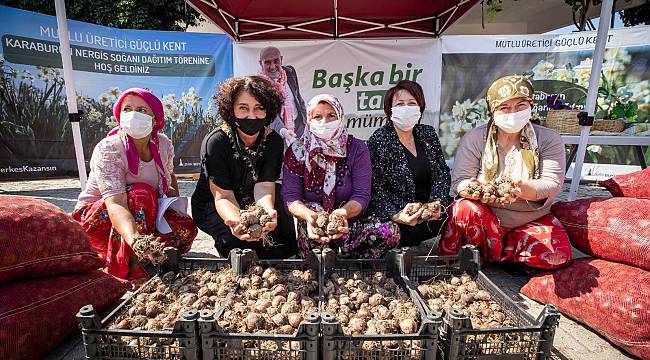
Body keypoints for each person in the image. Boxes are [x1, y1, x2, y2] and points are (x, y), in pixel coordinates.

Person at [439, 74, 571, 269]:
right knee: (463, 209)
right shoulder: (475, 138)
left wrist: (520, 189)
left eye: (520, 106)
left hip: (530, 220)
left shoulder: (549, 139)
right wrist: (472, 188)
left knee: (557, 255)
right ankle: (495, 253)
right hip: (486, 220)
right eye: (504, 108)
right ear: (493, 111)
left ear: (531, 106)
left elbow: (552, 183)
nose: (513, 113)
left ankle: (505, 252)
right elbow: (459, 181)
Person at [73, 88, 197, 280]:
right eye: (127, 109)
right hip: (99, 219)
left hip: (144, 214)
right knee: (141, 194)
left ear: (155, 120)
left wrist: (175, 208)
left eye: (141, 110)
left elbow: (169, 175)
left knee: (186, 228)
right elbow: (116, 204)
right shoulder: (110, 149)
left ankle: (150, 252)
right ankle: (128, 266)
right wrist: (136, 240)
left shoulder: (162, 144)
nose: (133, 115)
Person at [191, 76, 297, 259]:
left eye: (259, 108)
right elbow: (223, 196)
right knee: (242, 247)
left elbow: (264, 186)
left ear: (268, 110)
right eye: (243, 108)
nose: (251, 116)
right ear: (231, 109)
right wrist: (238, 221)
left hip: (251, 198)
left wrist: (266, 212)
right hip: (216, 203)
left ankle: (286, 259)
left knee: (277, 212)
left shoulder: (274, 141)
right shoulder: (215, 142)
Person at [283, 94, 400, 259]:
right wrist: (309, 216)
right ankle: (321, 259)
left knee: (390, 232)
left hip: (350, 223)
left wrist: (342, 214)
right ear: (309, 120)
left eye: (331, 115)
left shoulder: (357, 149)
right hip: (314, 225)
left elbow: (361, 195)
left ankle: (353, 264)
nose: (325, 122)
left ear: (340, 116)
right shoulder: (297, 151)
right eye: (317, 117)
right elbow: (291, 198)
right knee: (315, 209)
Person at [366, 80, 451, 248]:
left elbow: (442, 173)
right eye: (400, 104)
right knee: (385, 232)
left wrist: (436, 203)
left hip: (430, 214)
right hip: (399, 216)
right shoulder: (379, 139)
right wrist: (396, 215)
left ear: (420, 108)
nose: (406, 108)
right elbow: (374, 188)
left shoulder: (428, 134)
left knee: (460, 213)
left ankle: (450, 256)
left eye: (412, 103)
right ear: (389, 111)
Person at [259, 46, 307, 147]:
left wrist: (306, 121)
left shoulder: (290, 72)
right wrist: (284, 131)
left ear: (281, 59)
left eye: (276, 61)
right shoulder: (260, 86)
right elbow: (271, 116)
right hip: (278, 134)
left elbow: (298, 97)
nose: (272, 66)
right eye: (267, 62)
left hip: (300, 129)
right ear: (261, 63)